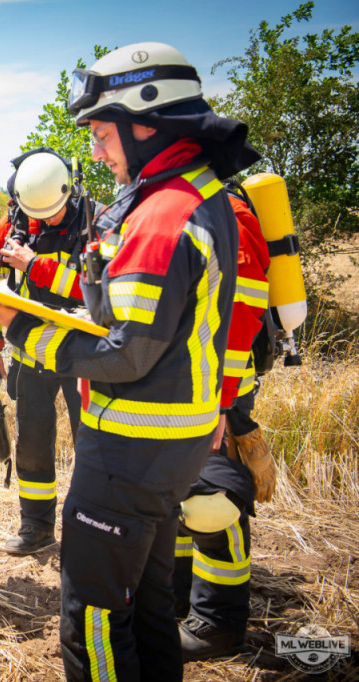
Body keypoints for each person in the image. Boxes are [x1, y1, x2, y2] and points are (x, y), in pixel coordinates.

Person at [0, 42, 259, 680]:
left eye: (102, 135)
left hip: (131, 448)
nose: (98, 153)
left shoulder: (163, 215)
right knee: (150, 606)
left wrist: (18, 329)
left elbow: (126, 352)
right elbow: (144, 321)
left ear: (145, 123)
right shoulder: (203, 195)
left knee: (96, 619)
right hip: (171, 444)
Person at [0, 149, 98, 555]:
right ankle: (36, 528)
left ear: (70, 192)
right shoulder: (9, 227)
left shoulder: (96, 223)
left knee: (92, 445)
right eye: (37, 214)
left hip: (86, 356)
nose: (47, 221)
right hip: (31, 352)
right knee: (31, 442)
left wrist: (33, 265)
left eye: (55, 212)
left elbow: (97, 293)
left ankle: (91, 530)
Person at [175, 191, 276, 660]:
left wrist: (221, 398)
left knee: (212, 501)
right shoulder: (165, 203)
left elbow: (244, 305)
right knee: (175, 491)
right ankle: (177, 598)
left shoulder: (224, 211)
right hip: (176, 380)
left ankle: (218, 622)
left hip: (218, 387)